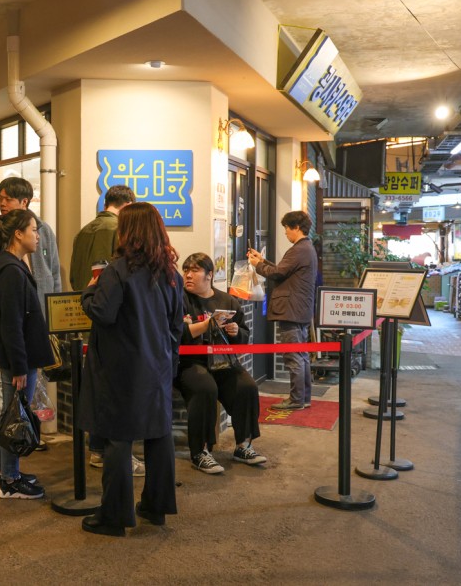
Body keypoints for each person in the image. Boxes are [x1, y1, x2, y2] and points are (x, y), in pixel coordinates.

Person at [78, 202, 183, 537]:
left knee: (118, 440)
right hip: (158, 366)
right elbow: (175, 325)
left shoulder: (116, 271)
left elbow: (102, 313)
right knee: (159, 436)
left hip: (121, 369)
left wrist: (89, 291)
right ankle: (156, 508)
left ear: (127, 232)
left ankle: (114, 517)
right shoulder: (171, 274)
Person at [0, 177, 61, 465]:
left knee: (31, 388)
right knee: (2, 385)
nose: (2, 203)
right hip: (9, 326)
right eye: (0, 197)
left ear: (25, 202)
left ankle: (23, 432)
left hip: (37, 323)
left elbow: (54, 273)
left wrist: (53, 319)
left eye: (7, 198)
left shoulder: (44, 232)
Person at [0, 209, 53, 499]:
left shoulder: (9, 265)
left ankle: (3, 471)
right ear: (18, 234)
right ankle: (9, 479)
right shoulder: (10, 270)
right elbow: (12, 324)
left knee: (9, 414)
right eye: (33, 229)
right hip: (18, 360)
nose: (38, 235)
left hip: (17, 358)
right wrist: (20, 366)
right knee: (15, 416)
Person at [67, 184, 141, 474]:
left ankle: (96, 448)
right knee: (115, 390)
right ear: (127, 204)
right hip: (113, 318)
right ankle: (112, 452)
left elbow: (76, 276)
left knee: (96, 384)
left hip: (87, 313)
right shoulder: (118, 231)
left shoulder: (83, 231)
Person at [180, 253, 266, 472]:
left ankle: (243, 445)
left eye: (195, 270)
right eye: (186, 270)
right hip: (190, 362)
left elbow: (244, 337)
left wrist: (236, 332)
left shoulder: (227, 301)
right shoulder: (178, 299)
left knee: (247, 386)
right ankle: (200, 451)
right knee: (205, 388)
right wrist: (207, 324)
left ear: (209, 275)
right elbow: (175, 334)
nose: (188, 275)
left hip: (223, 360)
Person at [247, 210, 318, 411]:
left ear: (296, 227)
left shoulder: (299, 249)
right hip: (300, 309)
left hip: (291, 309)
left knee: (293, 356)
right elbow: (283, 270)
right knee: (301, 356)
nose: (286, 233)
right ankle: (303, 397)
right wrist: (262, 260)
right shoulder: (307, 248)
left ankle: (296, 399)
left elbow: (278, 273)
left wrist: (257, 265)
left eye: (287, 229)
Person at [69, 185, 136, 290]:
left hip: (81, 300)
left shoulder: (82, 232)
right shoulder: (122, 230)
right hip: (109, 302)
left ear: (105, 206)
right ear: (128, 206)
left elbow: (73, 276)